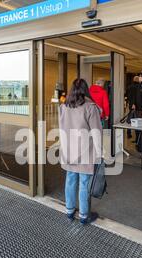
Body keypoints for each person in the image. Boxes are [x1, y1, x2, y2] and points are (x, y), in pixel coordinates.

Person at [59, 79, 102, 224]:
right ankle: (84, 215)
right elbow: (96, 132)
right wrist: (100, 152)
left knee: (70, 180)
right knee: (84, 182)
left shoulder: (64, 106)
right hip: (84, 151)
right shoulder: (90, 107)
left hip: (68, 149)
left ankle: (70, 211)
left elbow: (62, 128)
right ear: (86, 90)